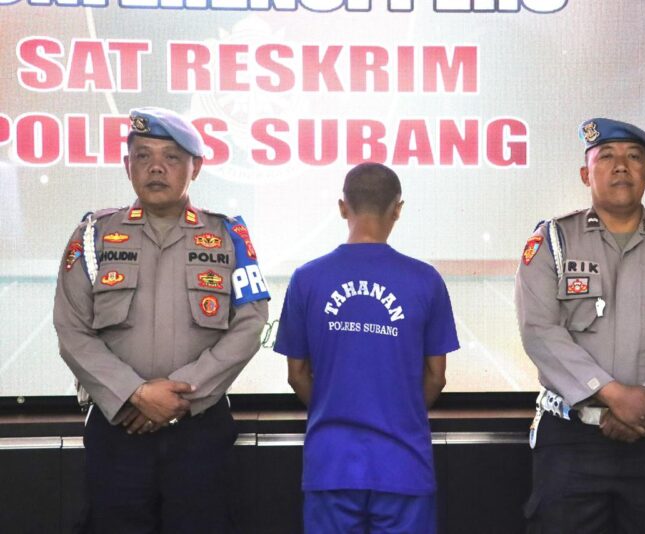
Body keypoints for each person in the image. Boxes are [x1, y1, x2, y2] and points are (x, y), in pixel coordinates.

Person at [53, 107, 270, 533]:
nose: (156, 167)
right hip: (118, 431)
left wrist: (180, 398)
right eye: (143, 155)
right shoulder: (93, 235)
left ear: (197, 167)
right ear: (126, 165)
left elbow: (250, 323)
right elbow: (71, 328)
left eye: (172, 157)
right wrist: (134, 393)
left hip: (199, 433)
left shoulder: (229, 236)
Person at [515, 118, 645, 534]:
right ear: (585, 173)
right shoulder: (552, 241)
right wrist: (613, 394)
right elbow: (539, 330)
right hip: (571, 440)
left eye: (633, 158)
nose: (620, 166)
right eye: (606, 157)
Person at [273, 162, 459, 534]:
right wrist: (397, 412)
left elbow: (296, 376)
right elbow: (436, 378)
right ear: (398, 209)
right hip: (405, 465)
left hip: (331, 464)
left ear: (343, 207)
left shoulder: (306, 278)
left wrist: (338, 405)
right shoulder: (426, 280)